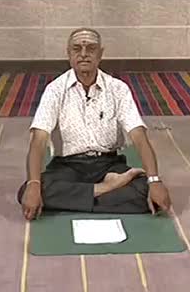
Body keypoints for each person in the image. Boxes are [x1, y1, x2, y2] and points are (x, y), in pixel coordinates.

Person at [18, 28, 172, 220]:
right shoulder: (54, 90)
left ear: (100, 54)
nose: (83, 54)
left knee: (145, 190)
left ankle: (74, 201)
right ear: (69, 53)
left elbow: (139, 137)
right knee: (29, 188)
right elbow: (38, 141)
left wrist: (154, 180)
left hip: (109, 165)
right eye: (77, 49)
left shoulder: (118, 89)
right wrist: (33, 184)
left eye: (90, 48)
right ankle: (106, 190)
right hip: (67, 166)